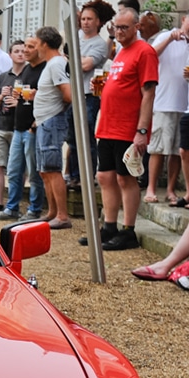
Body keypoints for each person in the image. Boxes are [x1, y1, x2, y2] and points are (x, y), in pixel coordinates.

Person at [86, 7, 157, 250]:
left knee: (125, 178)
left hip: (128, 127)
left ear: (137, 27)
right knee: (104, 176)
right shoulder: (120, 52)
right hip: (108, 125)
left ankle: (128, 230)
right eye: (116, 27)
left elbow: (148, 93)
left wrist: (142, 129)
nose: (119, 31)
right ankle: (109, 226)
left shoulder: (144, 52)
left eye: (124, 27)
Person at [0, 34, 47, 220]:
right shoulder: (26, 71)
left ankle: (34, 209)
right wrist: (15, 100)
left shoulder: (45, 70)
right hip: (18, 127)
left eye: (30, 47)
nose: (25, 50)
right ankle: (12, 208)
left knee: (34, 173)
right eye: (24, 46)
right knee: (14, 170)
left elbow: (50, 99)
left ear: (39, 49)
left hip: (32, 128)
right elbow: (22, 98)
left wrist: (34, 124)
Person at [66, 0, 112, 190]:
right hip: (71, 94)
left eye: (89, 19)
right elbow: (67, 60)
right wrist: (72, 60)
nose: (85, 22)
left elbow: (84, 66)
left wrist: (70, 59)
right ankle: (74, 175)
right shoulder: (74, 36)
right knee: (72, 139)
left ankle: (87, 175)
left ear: (98, 22)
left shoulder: (100, 44)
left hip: (88, 95)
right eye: (83, 19)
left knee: (86, 137)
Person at [29, 27, 71, 230]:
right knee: (45, 170)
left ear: (44, 43)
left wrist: (55, 110)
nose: (34, 46)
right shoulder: (52, 64)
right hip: (44, 121)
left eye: (36, 42)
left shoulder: (56, 64)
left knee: (52, 169)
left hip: (52, 121)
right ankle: (53, 212)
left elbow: (68, 94)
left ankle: (62, 215)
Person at [144, 14, 188, 205]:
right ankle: (151, 188)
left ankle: (170, 190)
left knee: (178, 151)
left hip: (185, 104)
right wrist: (171, 38)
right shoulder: (166, 36)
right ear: (184, 19)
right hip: (164, 100)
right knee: (158, 148)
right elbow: (150, 55)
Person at [0, 40, 26, 217]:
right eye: (16, 51)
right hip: (1, 125)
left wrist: (19, 103)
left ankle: (14, 203)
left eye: (23, 50)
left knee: (17, 168)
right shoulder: (3, 77)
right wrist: (2, 95)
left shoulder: (29, 75)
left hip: (19, 126)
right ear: (9, 54)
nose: (20, 53)